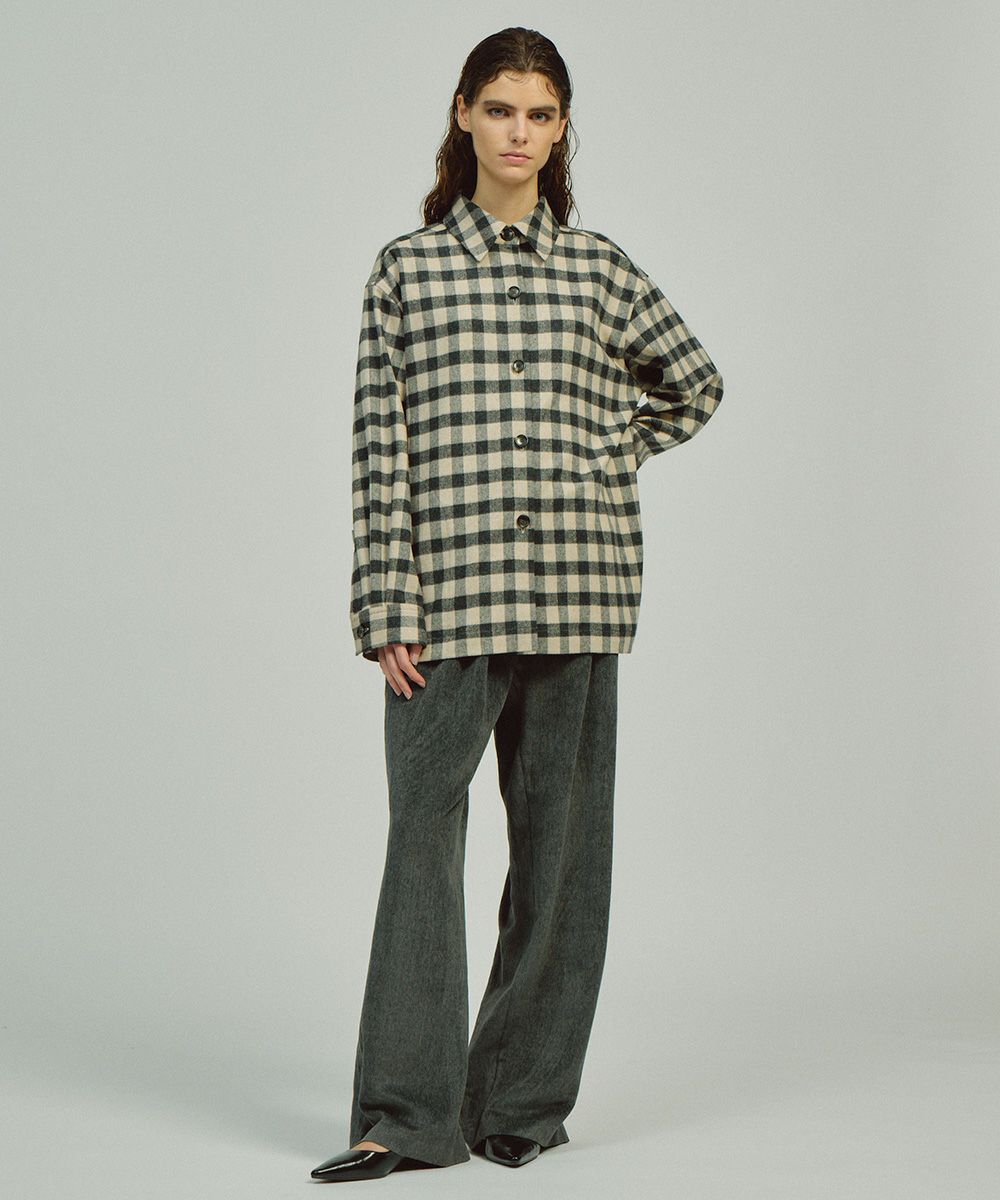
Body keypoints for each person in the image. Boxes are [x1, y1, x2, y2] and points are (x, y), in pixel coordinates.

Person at [311, 26, 723, 1184]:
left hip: (579, 592)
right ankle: (405, 1117)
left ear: (560, 128)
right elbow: (378, 448)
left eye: (541, 114)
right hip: (446, 603)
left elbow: (694, 383)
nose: (519, 132)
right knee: (421, 849)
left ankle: (520, 1106)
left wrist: (607, 453)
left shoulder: (598, 269)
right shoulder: (407, 270)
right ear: (463, 114)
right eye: (501, 109)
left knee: (561, 860)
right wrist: (385, 604)